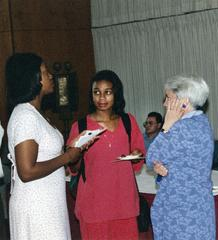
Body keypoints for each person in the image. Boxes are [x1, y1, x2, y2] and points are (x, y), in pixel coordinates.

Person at [5, 53, 92, 240]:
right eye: (44, 72)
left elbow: (46, 157)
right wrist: (67, 157)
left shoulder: (36, 114)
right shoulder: (25, 116)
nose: (51, 75)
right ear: (33, 79)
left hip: (48, 203)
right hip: (36, 206)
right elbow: (26, 171)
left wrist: (73, 148)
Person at [67, 70, 145, 240]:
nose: (101, 98)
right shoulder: (79, 126)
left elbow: (137, 161)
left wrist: (137, 154)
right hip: (93, 208)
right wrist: (77, 152)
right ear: (91, 95)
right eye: (97, 92)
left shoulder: (128, 121)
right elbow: (73, 168)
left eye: (107, 92)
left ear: (116, 94)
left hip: (125, 206)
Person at [146, 74, 215, 240]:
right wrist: (163, 168)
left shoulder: (181, 128)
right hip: (198, 208)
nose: (164, 103)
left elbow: (151, 157)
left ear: (183, 101)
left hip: (180, 213)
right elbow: (182, 161)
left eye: (168, 98)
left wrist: (167, 124)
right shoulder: (202, 122)